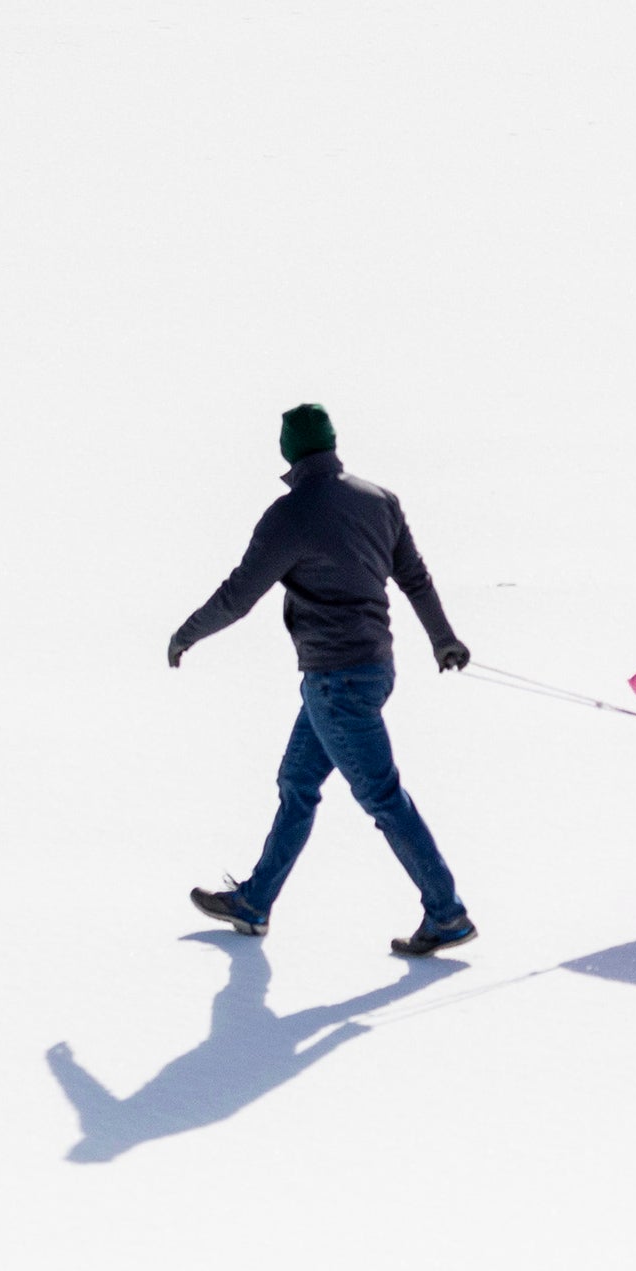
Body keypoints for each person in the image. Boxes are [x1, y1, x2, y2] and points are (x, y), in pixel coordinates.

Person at [170, 403, 477, 956]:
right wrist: (442, 638)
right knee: (296, 784)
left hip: (337, 682)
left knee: (382, 798)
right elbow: (414, 578)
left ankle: (447, 913)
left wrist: (187, 633)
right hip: (370, 671)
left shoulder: (290, 515)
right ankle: (255, 900)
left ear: (289, 451)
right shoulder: (380, 500)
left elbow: (240, 596)